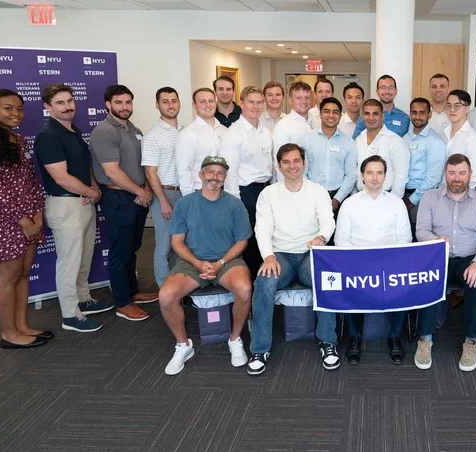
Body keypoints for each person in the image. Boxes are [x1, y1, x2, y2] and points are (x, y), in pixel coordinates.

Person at [249, 143, 340, 375]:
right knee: (263, 282)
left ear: (304, 163)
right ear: (279, 166)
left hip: (311, 252)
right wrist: (268, 257)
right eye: (286, 162)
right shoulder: (268, 194)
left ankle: (328, 342)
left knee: (326, 278)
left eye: (296, 160)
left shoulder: (317, 190)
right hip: (280, 256)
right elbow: (262, 229)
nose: (292, 166)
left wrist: (321, 237)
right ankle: (260, 348)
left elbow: (328, 220)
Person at [159, 156, 253, 375]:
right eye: (210, 171)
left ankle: (235, 339)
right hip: (193, 261)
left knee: (245, 289)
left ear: (225, 178)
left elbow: (242, 241)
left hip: (227, 261)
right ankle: (183, 345)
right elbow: (177, 242)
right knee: (166, 295)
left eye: (220, 173)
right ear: (201, 174)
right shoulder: (185, 203)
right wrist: (198, 263)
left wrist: (220, 263)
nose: (215, 177)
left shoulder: (234, 205)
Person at [0, 89, 50, 348]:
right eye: (8, 108)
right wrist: (22, 219)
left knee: (23, 273)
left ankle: (22, 326)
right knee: (8, 277)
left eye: (19, 108)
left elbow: (30, 179)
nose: (15, 113)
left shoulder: (20, 139)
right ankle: (9, 334)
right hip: (2, 220)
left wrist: (37, 210)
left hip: (29, 215)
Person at [35, 84, 109, 333]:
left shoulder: (73, 131)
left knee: (84, 256)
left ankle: (82, 299)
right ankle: (70, 314)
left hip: (84, 201)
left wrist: (92, 189)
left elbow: (84, 166)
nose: (68, 107)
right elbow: (61, 177)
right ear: (47, 107)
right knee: (69, 261)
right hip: (66, 203)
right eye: (59, 103)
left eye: (69, 101)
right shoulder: (48, 135)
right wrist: (92, 192)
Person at [415, 154, 476, 371]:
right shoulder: (430, 197)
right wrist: (435, 240)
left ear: (470, 174)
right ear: (445, 174)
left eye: (462, 173)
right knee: (427, 280)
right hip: (437, 256)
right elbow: (421, 230)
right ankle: (425, 339)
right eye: (452, 173)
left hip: (468, 260)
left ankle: (471, 341)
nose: (457, 178)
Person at [90, 84, 157, 322]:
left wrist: (145, 189)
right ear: (108, 104)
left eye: (128, 102)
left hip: (136, 196)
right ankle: (122, 302)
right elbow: (112, 172)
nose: (124, 107)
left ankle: (133, 291)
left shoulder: (133, 129)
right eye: (119, 102)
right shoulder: (104, 131)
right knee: (119, 251)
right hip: (118, 197)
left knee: (132, 248)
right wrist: (140, 190)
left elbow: (143, 163)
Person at [336, 155, 413, 365]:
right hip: (357, 264)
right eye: (370, 172)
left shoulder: (397, 204)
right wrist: (361, 263)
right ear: (362, 176)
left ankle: (395, 337)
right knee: (350, 284)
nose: (375, 177)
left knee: (403, 284)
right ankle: (354, 338)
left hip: (390, 264)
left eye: (379, 173)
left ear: (385, 177)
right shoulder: (349, 204)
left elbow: (404, 239)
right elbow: (342, 241)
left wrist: (388, 262)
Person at [218, 85, 273, 274]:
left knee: (265, 236)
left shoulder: (265, 132)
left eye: (259, 102)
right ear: (241, 104)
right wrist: (236, 203)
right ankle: (249, 286)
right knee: (249, 241)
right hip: (246, 193)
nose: (256, 106)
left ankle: (263, 279)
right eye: (251, 102)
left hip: (266, 190)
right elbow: (230, 172)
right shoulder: (234, 134)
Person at [141, 86, 182, 288]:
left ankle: (180, 285)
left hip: (183, 193)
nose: (170, 105)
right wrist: (163, 201)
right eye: (165, 101)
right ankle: (165, 289)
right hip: (165, 194)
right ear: (157, 105)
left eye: (174, 100)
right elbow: (150, 172)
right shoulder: (152, 136)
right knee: (164, 245)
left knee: (181, 244)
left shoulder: (183, 131)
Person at [303, 97, 358, 214]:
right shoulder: (306, 139)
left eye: (335, 112)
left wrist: (337, 199)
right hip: (311, 196)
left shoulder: (348, 143)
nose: (331, 115)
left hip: (338, 198)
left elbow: (350, 175)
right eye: (327, 111)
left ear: (340, 116)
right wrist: (309, 195)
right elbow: (303, 171)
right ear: (320, 114)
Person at [404, 97, 446, 227]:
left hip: (422, 198)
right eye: (414, 112)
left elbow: (433, 178)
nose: (417, 116)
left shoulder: (435, 141)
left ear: (429, 115)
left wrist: (412, 200)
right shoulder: (406, 138)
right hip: (403, 195)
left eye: (422, 113)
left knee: (419, 238)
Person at [354, 99, 410, 197]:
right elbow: (355, 171)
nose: (370, 118)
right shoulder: (358, 140)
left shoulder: (395, 141)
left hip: (385, 198)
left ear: (382, 116)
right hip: (360, 198)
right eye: (367, 113)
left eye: (375, 114)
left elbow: (401, 177)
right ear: (362, 116)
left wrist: (391, 202)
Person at [176, 88, 226, 196]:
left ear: (215, 103)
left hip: (223, 192)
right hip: (199, 192)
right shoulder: (188, 134)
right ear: (194, 105)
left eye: (211, 101)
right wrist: (190, 199)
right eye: (202, 101)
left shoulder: (225, 130)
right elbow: (184, 170)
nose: (208, 105)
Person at [445, 90, 476, 189]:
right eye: (449, 105)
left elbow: (474, 177)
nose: (452, 109)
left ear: (467, 108)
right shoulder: (444, 132)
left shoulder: (473, 138)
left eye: (457, 106)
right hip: (441, 192)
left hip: (461, 195)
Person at [272, 80, 312, 180]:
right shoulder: (283, 125)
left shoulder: (318, 122)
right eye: (298, 98)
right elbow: (279, 161)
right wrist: (286, 189)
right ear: (290, 100)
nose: (304, 101)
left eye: (307, 97)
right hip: (294, 183)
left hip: (315, 184)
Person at [427, 73, 452, 142]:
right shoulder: (422, 114)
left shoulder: (455, 114)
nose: (438, 90)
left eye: (442, 86)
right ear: (429, 89)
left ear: (448, 89)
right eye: (434, 87)